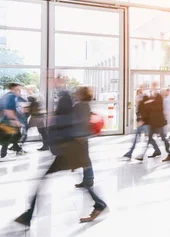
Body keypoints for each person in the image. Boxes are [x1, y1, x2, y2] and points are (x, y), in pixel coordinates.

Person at [15, 84, 108, 227]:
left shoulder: (80, 107)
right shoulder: (83, 106)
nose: (75, 94)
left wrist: (56, 122)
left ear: (81, 95)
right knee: (45, 181)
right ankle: (99, 204)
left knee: (42, 181)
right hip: (71, 151)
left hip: (70, 151)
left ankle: (28, 215)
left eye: (77, 92)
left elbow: (76, 127)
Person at [138, 81, 170, 162]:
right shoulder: (150, 96)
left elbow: (158, 108)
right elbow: (146, 107)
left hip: (158, 121)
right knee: (150, 137)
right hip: (153, 122)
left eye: (154, 85)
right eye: (152, 85)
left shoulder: (158, 96)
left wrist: (150, 103)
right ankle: (154, 152)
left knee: (162, 137)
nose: (153, 87)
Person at [123, 89, 155, 159]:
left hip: (144, 123)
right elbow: (141, 113)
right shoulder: (144, 104)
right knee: (146, 139)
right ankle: (131, 153)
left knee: (147, 139)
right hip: (144, 123)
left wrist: (141, 121)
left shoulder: (143, 104)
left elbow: (143, 114)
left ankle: (136, 154)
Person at [0, 82, 25, 158]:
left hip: (5, 120)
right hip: (8, 120)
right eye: (18, 89)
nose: (19, 91)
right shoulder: (11, 96)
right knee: (11, 136)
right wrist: (15, 120)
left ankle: (17, 149)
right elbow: (8, 110)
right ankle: (3, 154)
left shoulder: (6, 96)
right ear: (12, 89)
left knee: (13, 135)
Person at [25, 85, 49, 151]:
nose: (25, 91)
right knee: (42, 131)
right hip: (41, 115)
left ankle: (19, 146)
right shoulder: (40, 95)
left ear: (30, 90)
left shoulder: (30, 97)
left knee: (25, 129)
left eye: (26, 89)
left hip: (35, 116)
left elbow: (29, 108)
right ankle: (46, 145)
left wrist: (26, 115)